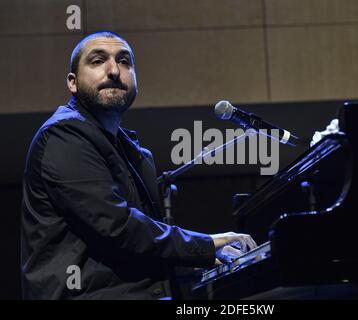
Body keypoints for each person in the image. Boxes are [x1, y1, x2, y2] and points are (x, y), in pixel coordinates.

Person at [21, 31, 257, 300]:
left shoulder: (130, 150)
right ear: (72, 83)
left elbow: (132, 247)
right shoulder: (64, 135)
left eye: (124, 62)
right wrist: (206, 245)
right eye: (98, 61)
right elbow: (115, 226)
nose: (113, 71)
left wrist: (194, 258)